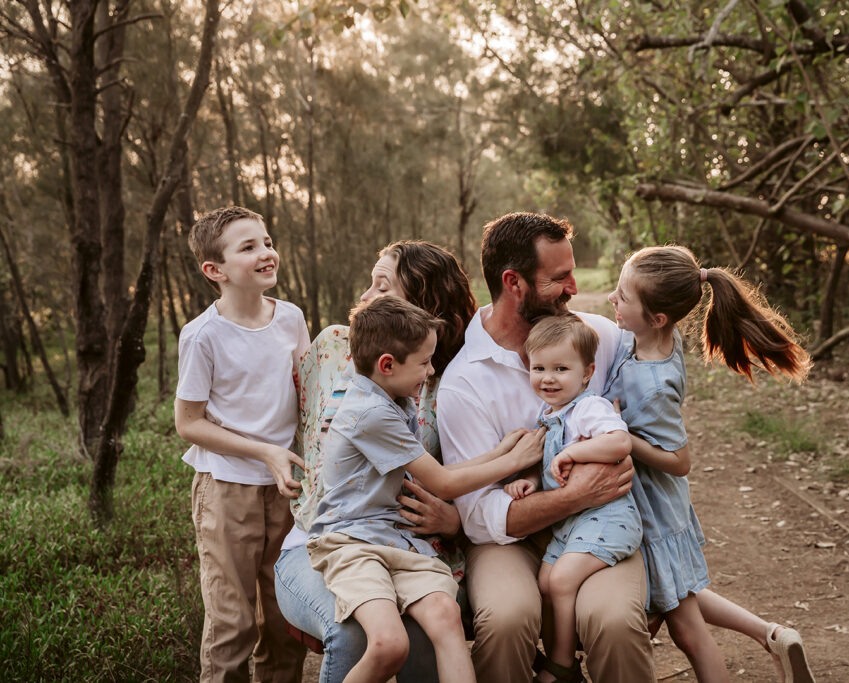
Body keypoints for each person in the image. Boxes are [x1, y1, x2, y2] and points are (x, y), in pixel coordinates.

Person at [274, 241, 534, 681]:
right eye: (371, 285)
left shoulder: (446, 378)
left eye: (383, 288)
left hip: (410, 544)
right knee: (363, 634)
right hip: (337, 537)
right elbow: (325, 471)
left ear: (423, 310)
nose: (365, 300)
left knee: (435, 621)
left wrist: (454, 518)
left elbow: (450, 489)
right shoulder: (344, 354)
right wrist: (510, 459)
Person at [437, 212, 654, 683]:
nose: (574, 287)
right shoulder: (464, 382)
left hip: (598, 525)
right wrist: (574, 494)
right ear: (513, 283)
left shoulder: (597, 336)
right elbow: (477, 518)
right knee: (506, 618)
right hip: (510, 535)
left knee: (615, 621)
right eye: (559, 278)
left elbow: (658, 355)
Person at [605, 245, 816, 683]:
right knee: (679, 597)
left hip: (655, 513)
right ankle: (771, 634)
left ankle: (769, 635)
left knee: (688, 630)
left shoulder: (655, 382)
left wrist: (625, 439)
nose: (612, 300)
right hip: (654, 507)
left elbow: (680, 461)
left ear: (658, 317)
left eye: (623, 297)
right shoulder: (651, 340)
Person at [174, 206, 308, 682]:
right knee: (231, 622)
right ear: (216, 270)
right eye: (248, 247)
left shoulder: (291, 318)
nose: (266, 253)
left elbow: (308, 395)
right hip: (227, 488)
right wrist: (265, 451)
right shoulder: (203, 335)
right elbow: (188, 423)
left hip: (288, 487)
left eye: (267, 242)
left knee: (284, 616)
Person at [503, 314, 641, 683]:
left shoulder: (588, 408)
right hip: (573, 524)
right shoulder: (547, 414)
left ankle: (561, 665)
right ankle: (563, 654)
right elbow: (544, 459)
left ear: (586, 373)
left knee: (561, 580)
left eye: (561, 368)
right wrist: (528, 481)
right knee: (546, 580)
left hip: (609, 518)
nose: (548, 378)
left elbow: (619, 442)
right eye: (539, 368)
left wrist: (572, 454)